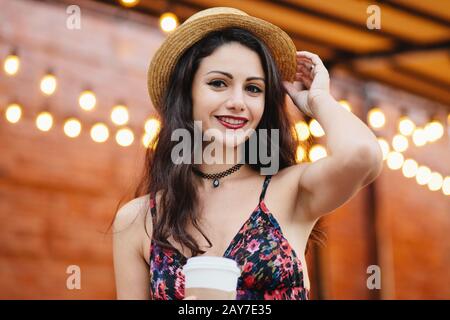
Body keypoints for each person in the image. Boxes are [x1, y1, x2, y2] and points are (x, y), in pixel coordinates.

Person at [112, 7, 383, 300]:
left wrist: (318, 101)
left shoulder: (290, 190)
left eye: (253, 89)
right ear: (186, 93)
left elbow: (363, 155)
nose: (238, 102)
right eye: (218, 83)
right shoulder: (137, 220)